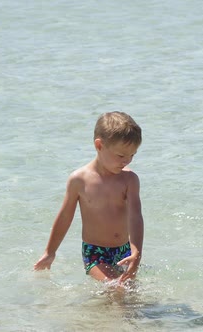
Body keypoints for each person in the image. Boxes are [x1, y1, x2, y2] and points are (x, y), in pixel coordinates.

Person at [34, 112, 144, 284]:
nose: (127, 161)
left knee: (129, 292)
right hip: (95, 252)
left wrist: (136, 251)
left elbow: (135, 216)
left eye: (132, 155)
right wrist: (50, 252)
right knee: (115, 287)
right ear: (99, 145)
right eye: (121, 156)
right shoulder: (79, 180)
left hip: (124, 250)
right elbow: (65, 217)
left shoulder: (129, 180)